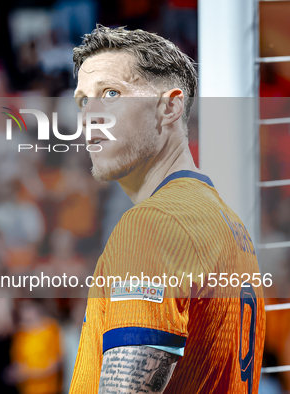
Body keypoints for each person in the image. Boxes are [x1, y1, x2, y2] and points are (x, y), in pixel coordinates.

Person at [69, 26, 265, 393]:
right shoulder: (229, 224)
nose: (88, 117)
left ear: (170, 106)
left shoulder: (152, 224)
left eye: (111, 93)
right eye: (83, 100)